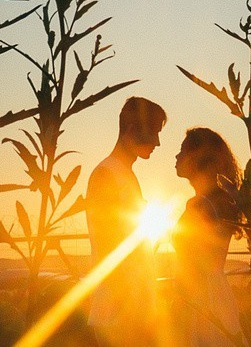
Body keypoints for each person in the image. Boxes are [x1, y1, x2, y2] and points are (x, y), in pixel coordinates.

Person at [84, 96, 166, 344]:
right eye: (153, 133)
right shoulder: (106, 174)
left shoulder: (123, 173)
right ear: (131, 130)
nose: (158, 143)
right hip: (118, 312)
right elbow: (111, 245)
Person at [170, 126, 244, 345]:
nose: (176, 156)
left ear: (198, 158)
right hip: (218, 295)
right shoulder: (218, 201)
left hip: (199, 298)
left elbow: (193, 263)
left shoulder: (202, 206)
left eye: (183, 151)